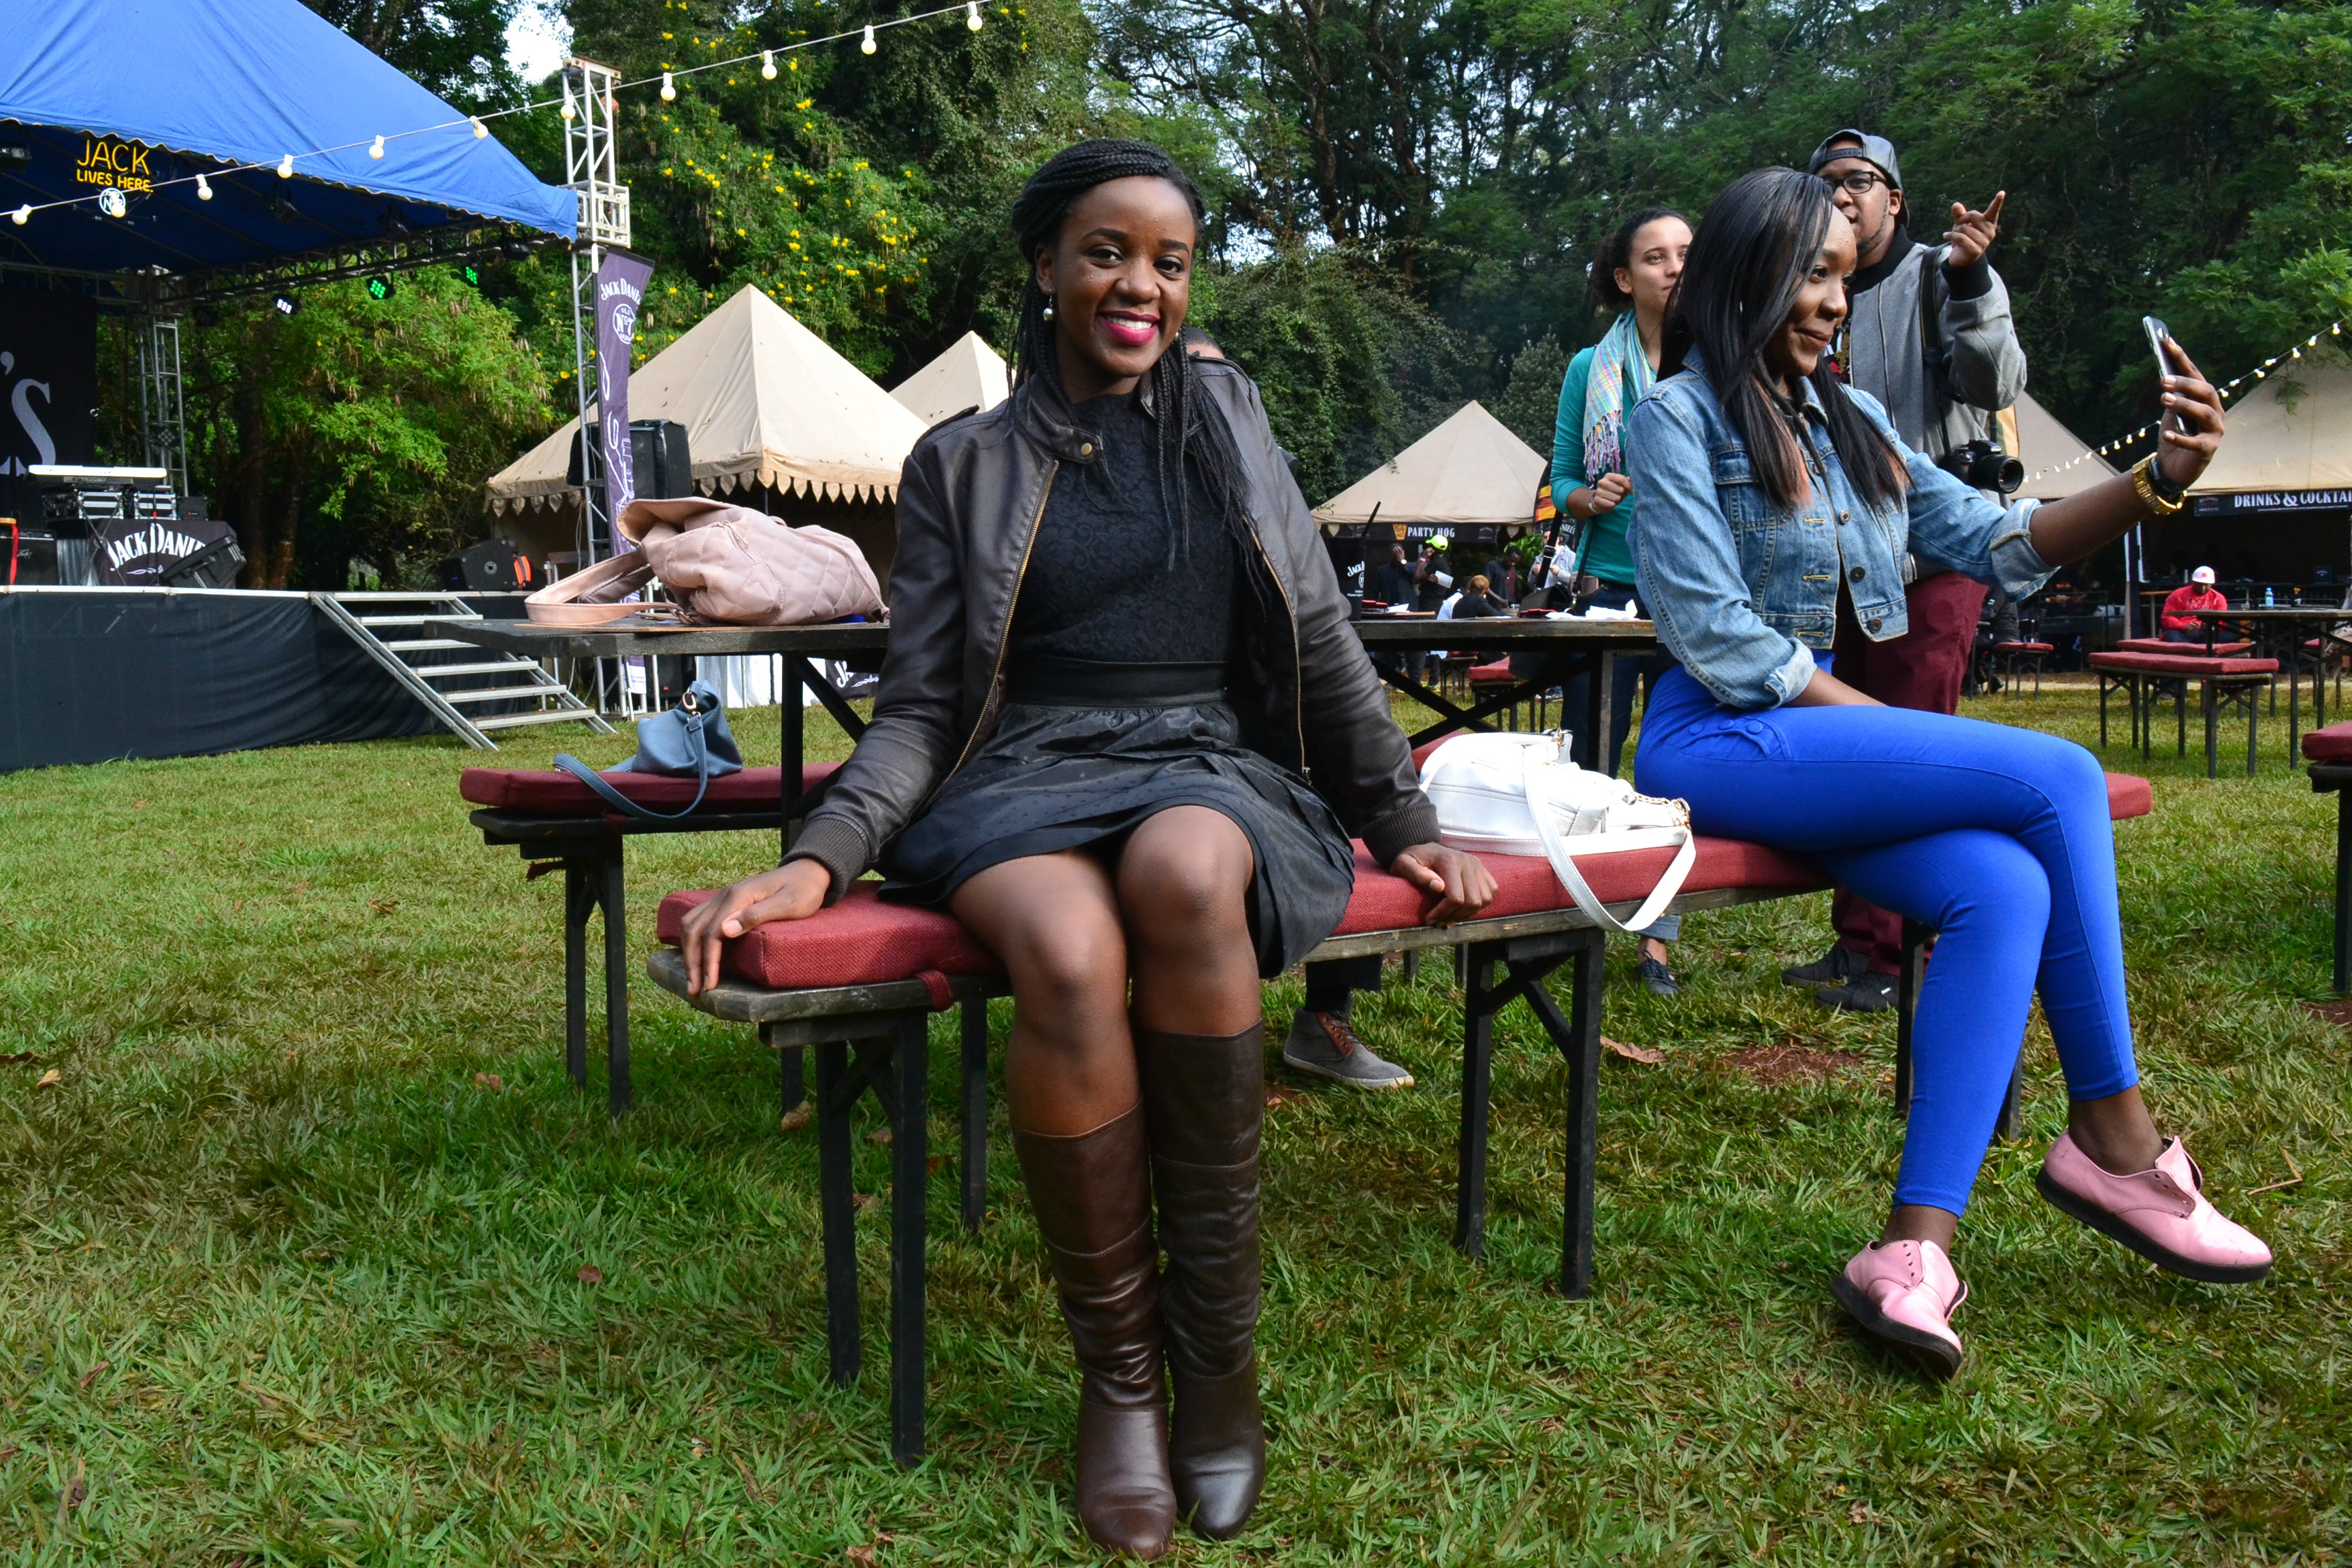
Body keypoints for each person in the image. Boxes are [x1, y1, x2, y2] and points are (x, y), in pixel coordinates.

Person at [676, 140, 1496, 1556]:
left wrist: (1405, 822)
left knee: (1185, 876)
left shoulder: (1227, 419)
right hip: (1021, 769)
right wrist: (818, 861)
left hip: (1203, 760)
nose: (1141, 284)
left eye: (1169, 261)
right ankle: (1120, 1387)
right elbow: (926, 704)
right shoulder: (961, 461)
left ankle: (1217, 1366)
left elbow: (1313, 632)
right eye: (1108, 252)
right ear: (1047, 268)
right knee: (1062, 945)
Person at [1625, 166, 2270, 1377]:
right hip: (1719, 734)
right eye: (1811, 273)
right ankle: (2114, 1135)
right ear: (1744, 275)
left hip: (1815, 744)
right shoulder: (1675, 417)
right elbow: (1719, 636)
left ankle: (1911, 1251)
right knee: (2060, 776)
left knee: (2004, 891)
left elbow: (1995, 538)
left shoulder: (1852, 423)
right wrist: (1877, 727)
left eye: (1842, 275)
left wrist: (2155, 482)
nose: (1834, 297)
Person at [1782, 129, 2027, 1013]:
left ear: (1897, 200)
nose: (1843, 194)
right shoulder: (1811, 290)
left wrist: (1970, 279)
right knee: (1854, 749)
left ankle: (1903, 956)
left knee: (1914, 749)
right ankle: (1860, 944)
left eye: (1861, 180)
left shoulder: (1938, 272)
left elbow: (1997, 382)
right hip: (1840, 559)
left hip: (1930, 559)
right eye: (1827, 182)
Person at [1179, 330, 1426, 1094]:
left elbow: (1316, 631)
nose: (1206, 394)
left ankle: (1325, 1018)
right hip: (1164, 741)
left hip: (1264, 712)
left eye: (1225, 379)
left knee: (1344, 788)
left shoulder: (1265, 472)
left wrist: (1398, 813)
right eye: (1189, 376)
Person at [1549, 204, 1693, 996]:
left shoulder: (1721, 361)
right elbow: (1561, 479)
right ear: (1624, 277)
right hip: (1607, 586)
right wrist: (1589, 496)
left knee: (1675, 764)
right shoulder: (1588, 369)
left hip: (1694, 592)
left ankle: (1658, 941)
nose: (1674, 268)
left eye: (1685, 254)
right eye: (1656, 257)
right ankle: (1580, 918)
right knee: (1593, 764)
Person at [2161, 566, 2227, 641]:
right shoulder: (2178, 594)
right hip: (2182, 631)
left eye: (2206, 585)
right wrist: (2184, 626)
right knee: (2172, 638)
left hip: (2206, 633)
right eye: (2200, 584)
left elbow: (2222, 621)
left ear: (2212, 584)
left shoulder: (2218, 598)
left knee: (2227, 639)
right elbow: (2166, 617)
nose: (2203, 588)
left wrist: (2211, 627)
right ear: (2193, 582)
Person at [1370, 542, 1416, 608]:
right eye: (1395, 554)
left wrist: (1402, 561)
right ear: (1390, 555)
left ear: (1403, 553)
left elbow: (1415, 575)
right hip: (1389, 605)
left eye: (1399, 553)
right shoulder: (1383, 570)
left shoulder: (1411, 566)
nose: (1397, 556)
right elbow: (1375, 591)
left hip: (1407, 605)